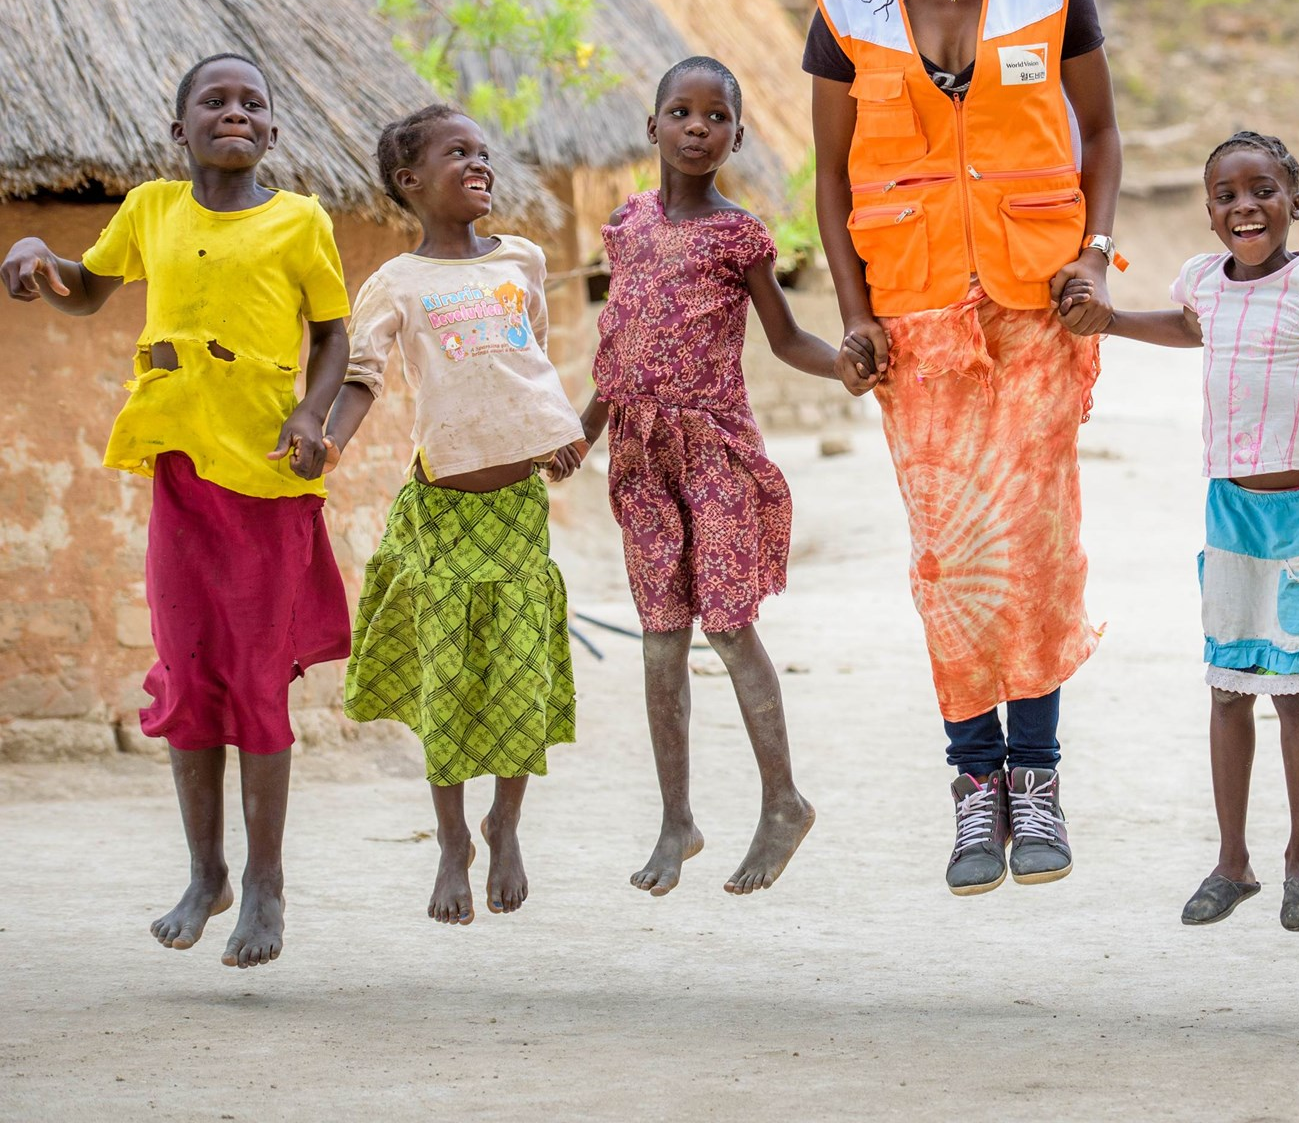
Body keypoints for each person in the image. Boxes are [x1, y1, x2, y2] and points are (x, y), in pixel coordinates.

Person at [799, 0, 1123, 895]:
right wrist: (852, 316)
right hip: (916, 321)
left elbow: (1101, 135)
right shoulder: (846, 4)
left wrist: (1091, 254)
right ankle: (971, 786)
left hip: (1037, 312)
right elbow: (831, 185)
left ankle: (1034, 776)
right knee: (948, 556)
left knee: (1028, 541)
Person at [2, 52, 352, 968]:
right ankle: (208, 874)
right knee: (187, 670)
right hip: (182, 476)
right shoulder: (151, 210)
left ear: (274, 131)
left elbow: (333, 333)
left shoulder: (300, 220)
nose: (234, 112)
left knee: (258, 675)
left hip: (270, 482)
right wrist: (41, 259)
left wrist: (312, 414)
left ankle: (267, 883)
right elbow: (90, 294)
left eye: (253, 103)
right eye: (213, 101)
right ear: (178, 129)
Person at [1098, 131, 1299, 932]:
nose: (1245, 206)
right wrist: (1112, 318)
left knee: (1294, 691)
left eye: (1263, 190)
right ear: (1208, 214)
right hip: (1231, 511)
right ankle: (1233, 862)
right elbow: (1190, 327)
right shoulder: (1205, 282)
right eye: (1227, 195)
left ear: (1295, 203)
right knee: (1229, 685)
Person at [324, 106, 590, 925]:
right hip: (442, 509)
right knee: (448, 683)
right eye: (456, 154)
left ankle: (504, 822)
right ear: (410, 182)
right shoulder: (398, 283)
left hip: (517, 513)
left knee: (517, 673)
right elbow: (362, 373)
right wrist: (326, 443)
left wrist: (556, 434)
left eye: (483, 151)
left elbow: (530, 360)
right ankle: (451, 841)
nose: (479, 163)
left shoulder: (524, 261)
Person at [582, 56, 833, 899]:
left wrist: (852, 370)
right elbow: (617, 355)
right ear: (650, 127)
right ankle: (676, 819)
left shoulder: (740, 236)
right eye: (681, 114)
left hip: (715, 449)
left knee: (727, 624)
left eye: (716, 117)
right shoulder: (626, 225)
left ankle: (783, 801)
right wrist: (581, 435)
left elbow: (790, 340)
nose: (698, 129)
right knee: (660, 634)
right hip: (638, 452)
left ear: (736, 134)